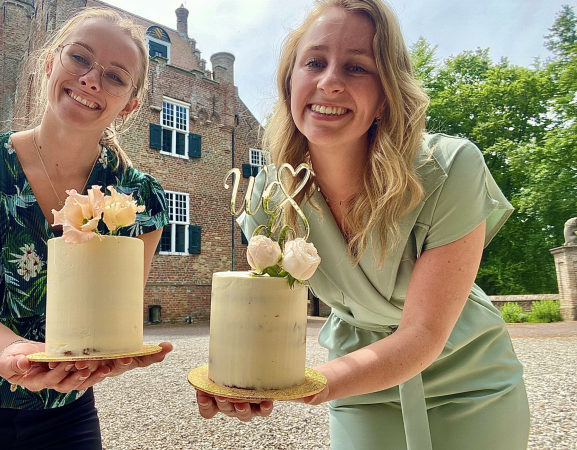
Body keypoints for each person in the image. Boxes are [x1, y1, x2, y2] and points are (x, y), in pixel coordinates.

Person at [195, 1, 530, 449]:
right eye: (314, 62)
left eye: (356, 68)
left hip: (468, 376)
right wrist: (242, 378)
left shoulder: (451, 168)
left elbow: (424, 333)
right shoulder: (269, 197)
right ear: (289, 82)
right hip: (359, 386)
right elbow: (263, 310)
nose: (329, 81)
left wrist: (310, 382)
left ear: (386, 97)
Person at [0, 8, 172, 450]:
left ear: (131, 104)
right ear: (49, 63)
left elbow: (113, 319)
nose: (90, 80)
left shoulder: (141, 200)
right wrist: (13, 355)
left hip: (64, 417)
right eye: (79, 58)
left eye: (116, 77)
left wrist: (110, 356)